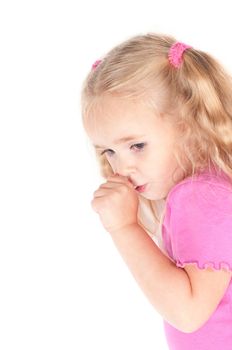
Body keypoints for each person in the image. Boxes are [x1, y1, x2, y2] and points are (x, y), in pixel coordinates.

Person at [80, 33, 232, 349]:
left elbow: (188, 313)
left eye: (137, 145)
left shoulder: (199, 198)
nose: (121, 168)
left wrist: (124, 227)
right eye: (108, 151)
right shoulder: (208, 191)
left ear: (188, 126)